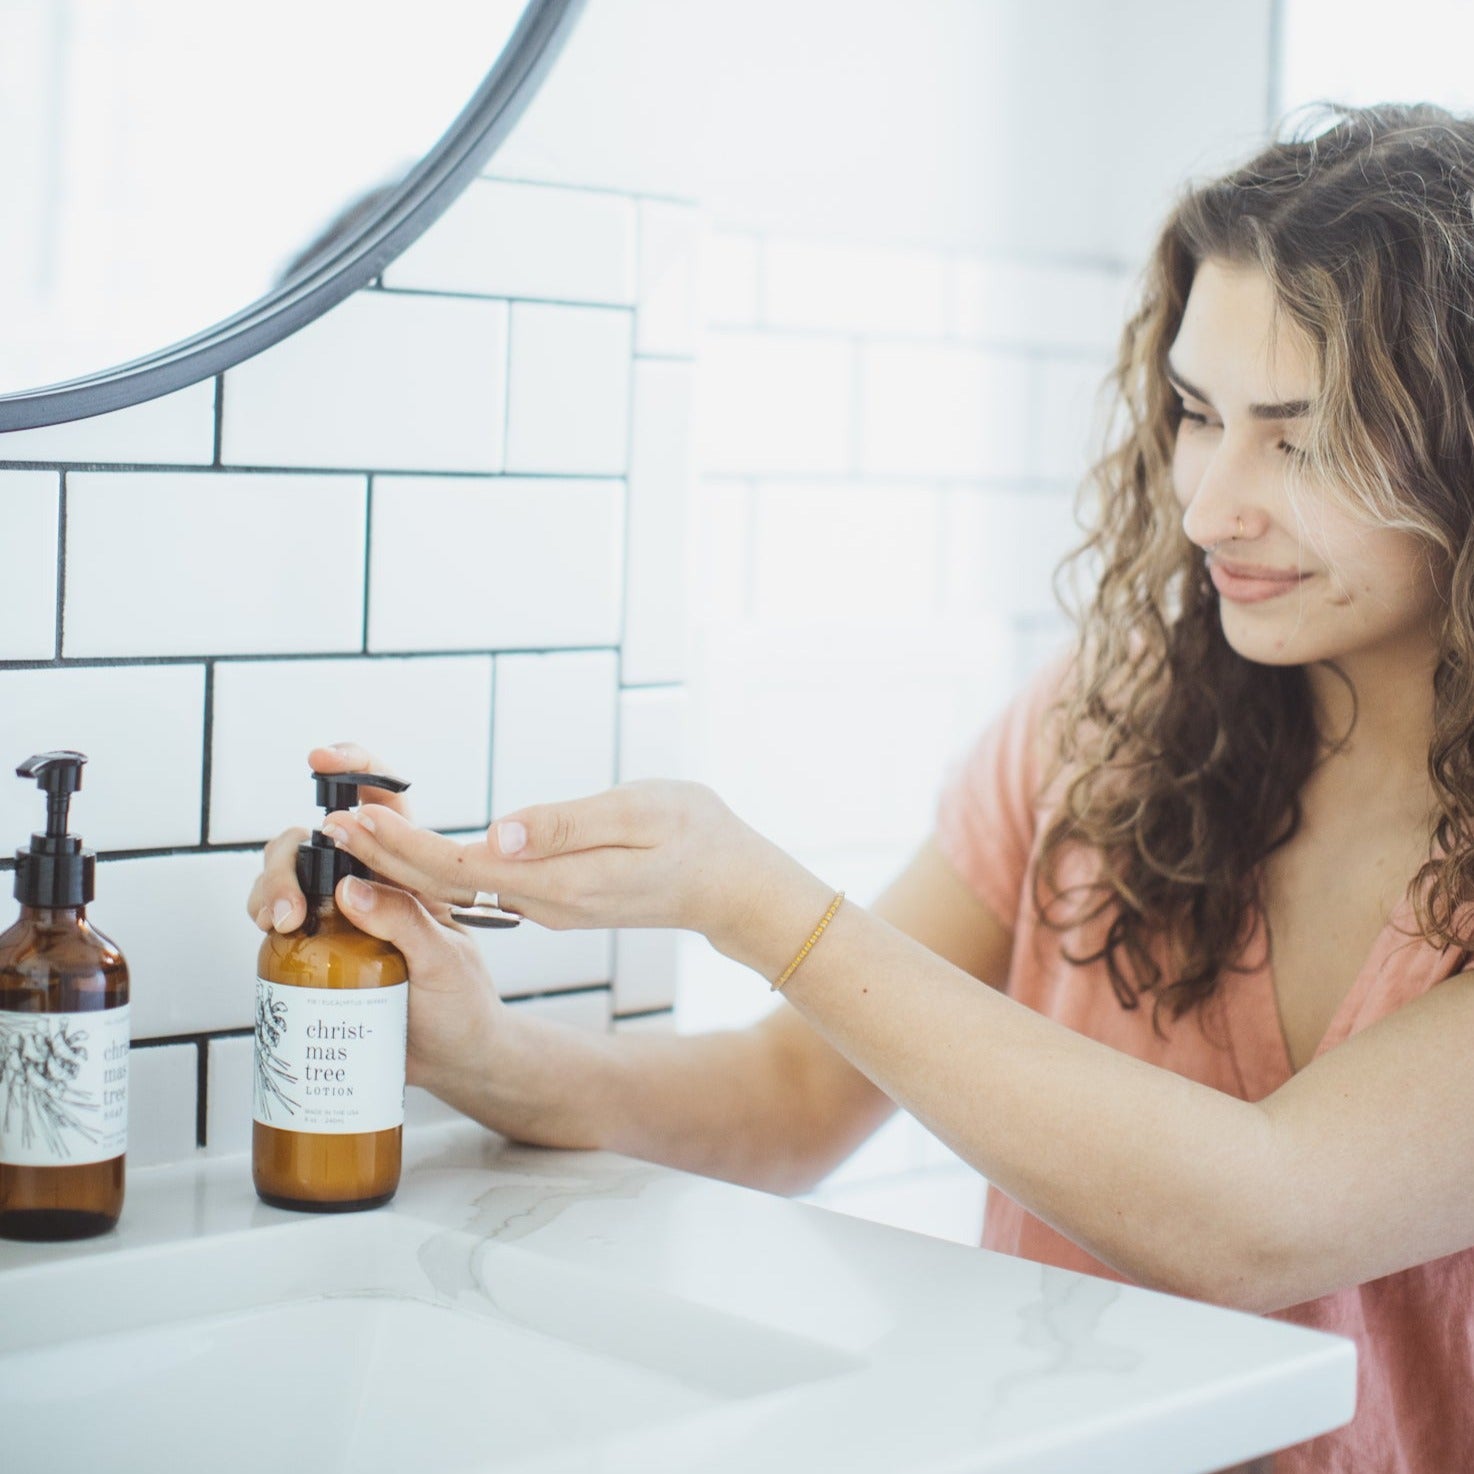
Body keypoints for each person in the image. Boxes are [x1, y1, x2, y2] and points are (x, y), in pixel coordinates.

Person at [249, 101, 1474, 1471]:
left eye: (1298, 439)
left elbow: (1261, 1221)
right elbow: (788, 1099)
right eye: (1194, 415)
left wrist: (751, 896)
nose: (1205, 504)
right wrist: (484, 1052)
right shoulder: (1101, 724)